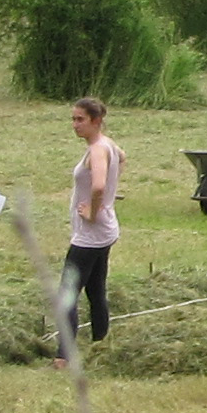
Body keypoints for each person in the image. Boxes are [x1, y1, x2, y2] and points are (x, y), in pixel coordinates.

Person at [58, 96, 123, 359]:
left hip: (90, 235)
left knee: (67, 295)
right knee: (96, 290)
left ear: (96, 122)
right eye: (73, 119)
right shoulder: (108, 145)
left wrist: (94, 210)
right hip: (105, 231)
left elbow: (97, 185)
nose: (75, 125)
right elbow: (123, 159)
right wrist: (109, 195)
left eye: (80, 120)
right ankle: (100, 344)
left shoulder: (97, 149)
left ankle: (63, 356)